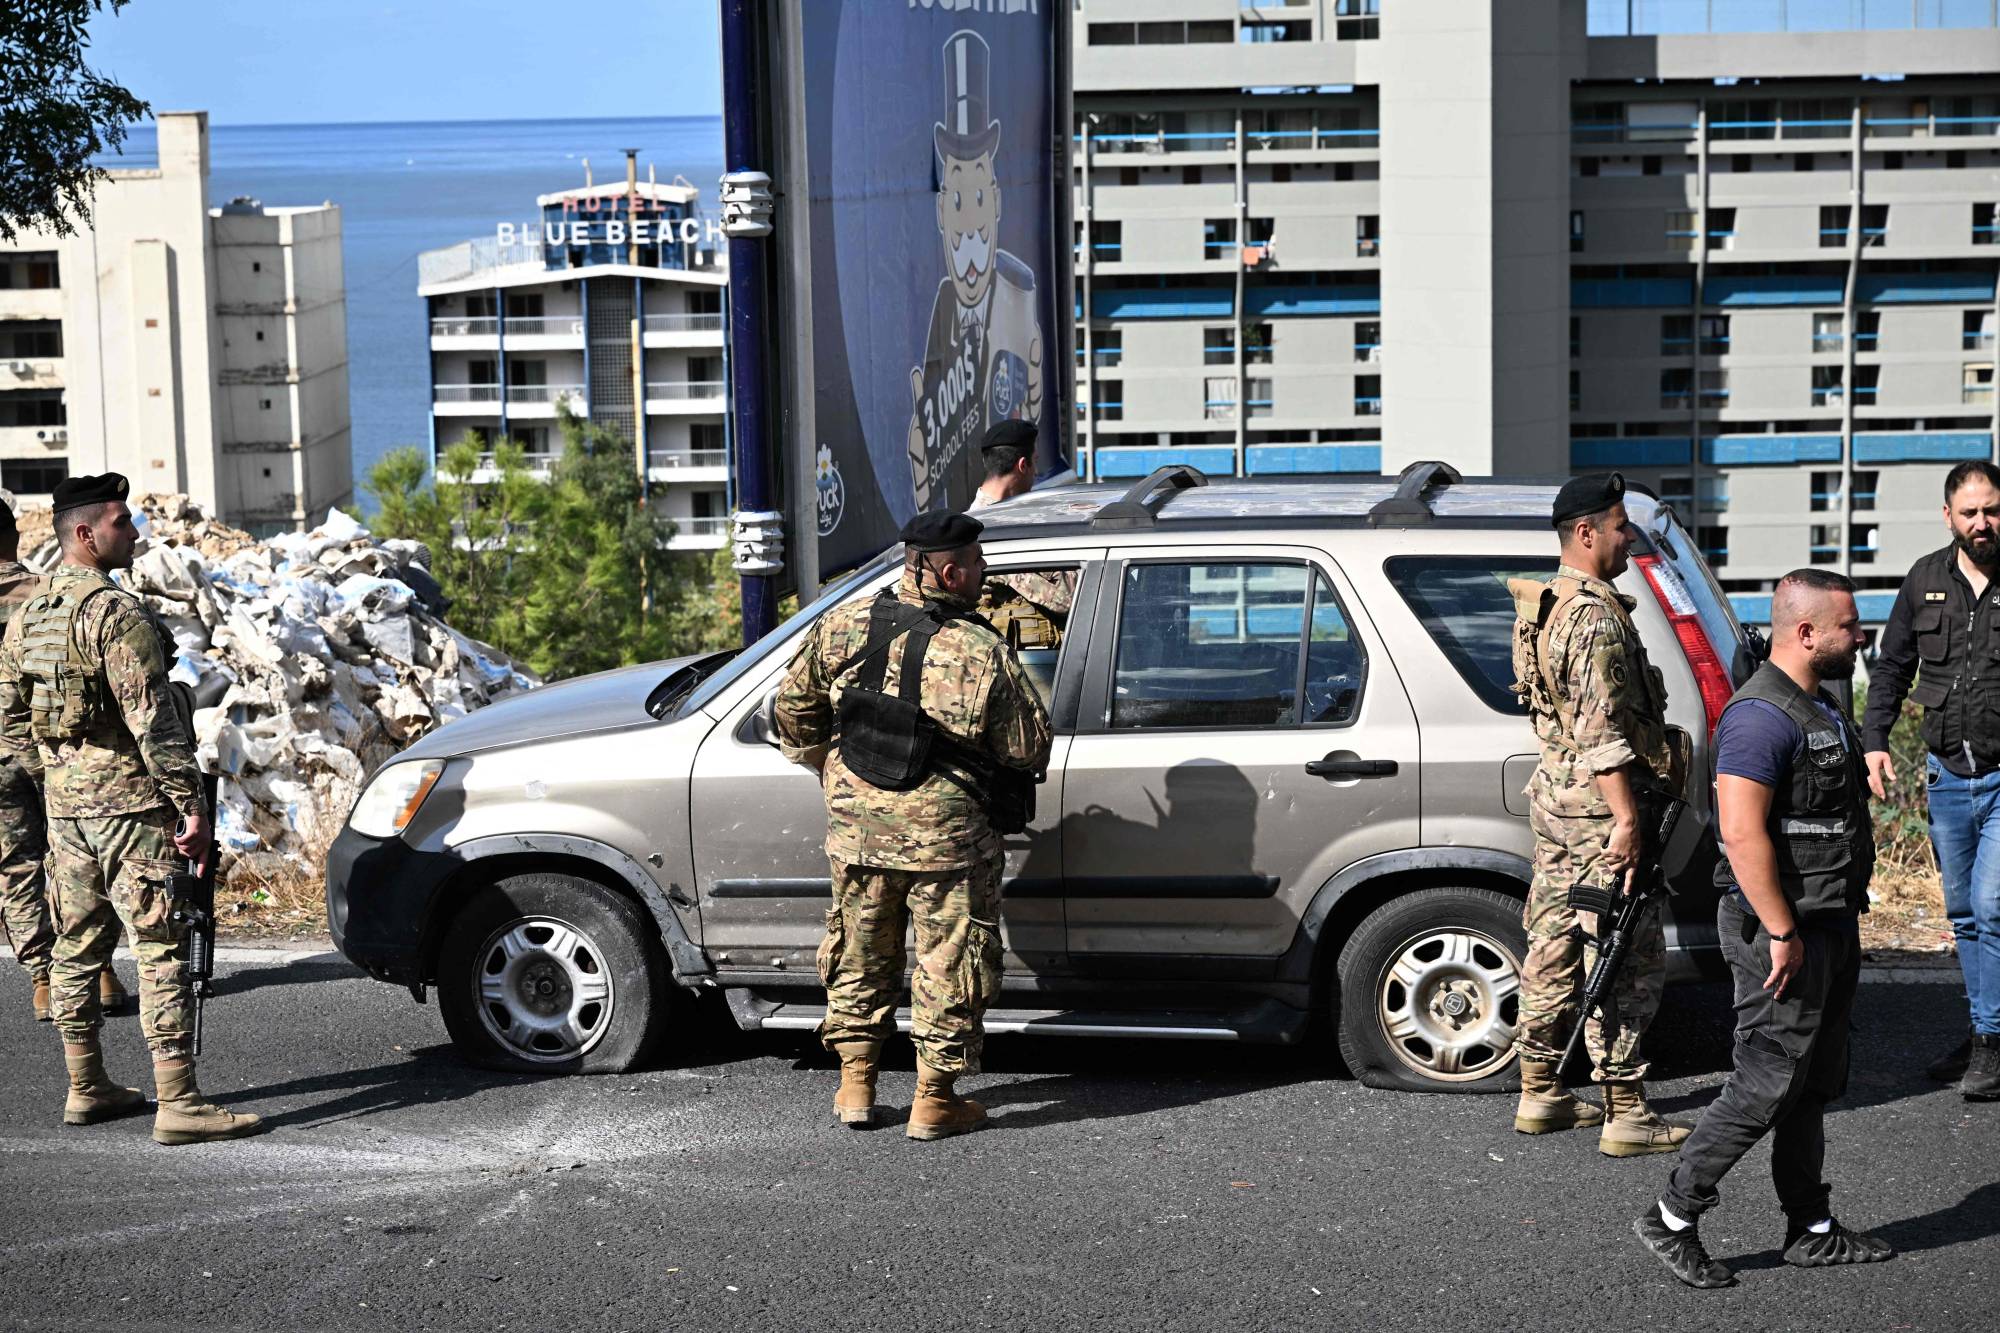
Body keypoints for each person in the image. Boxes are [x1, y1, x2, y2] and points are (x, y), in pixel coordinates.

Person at [1634, 569, 1892, 1289]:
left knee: (1810, 1082)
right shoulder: (1758, 717)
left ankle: (1809, 1228)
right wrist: (1781, 929)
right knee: (1765, 1080)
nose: (1859, 635)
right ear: (1807, 633)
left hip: (1829, 922)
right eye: (1849, 625)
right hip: (1781, 932)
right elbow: (1742, 836)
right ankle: (1673, 1214)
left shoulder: (1818, 706)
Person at [0, 474, 261, 1145]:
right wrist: (190, 808)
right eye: (121, 521)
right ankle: (178, 1100)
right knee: (160, 944)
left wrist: (59, 778)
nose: (135, 530)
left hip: (68, 813)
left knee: (77, 945)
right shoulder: (117, 615)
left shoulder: (28, 616)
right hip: (132, 809)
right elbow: (156, 725)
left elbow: (12, 720)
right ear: (84, 534)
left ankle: (86, 1086)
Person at [774, 510, 1052, 1140]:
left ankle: (856, 1084)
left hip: (858, 832)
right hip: (948, 839)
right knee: (948, 961)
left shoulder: (840, 624)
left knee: (860, 951)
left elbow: (792, 714)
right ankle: (934, 1099)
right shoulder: (979, 649)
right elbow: (1028, 748)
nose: (983, 576)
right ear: (949, 572)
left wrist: (832, 769)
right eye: (978, 566)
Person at [1508, 471, 1690, 1156]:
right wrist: (1627, 819)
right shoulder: (1593, 617)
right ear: (1586, 533)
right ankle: (1626, 1110)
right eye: (1619, 525)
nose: (1628, 536)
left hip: (1556, 802)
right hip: (1597, 811)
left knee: (1553, 939)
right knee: (1622, 952)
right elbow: (1602, 731)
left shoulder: (1546, 604)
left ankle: (1541, 1090)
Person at [1860, 460, 2000, 1100]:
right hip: (1946, 773)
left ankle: (1992, 1042)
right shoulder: (1924, 579)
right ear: (1948, 516)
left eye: (1991, 510)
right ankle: (1983, 1035)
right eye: (1969, 512)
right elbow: (1891, 666)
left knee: (1994, 908)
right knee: (1965, 914)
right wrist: (1875, 741)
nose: (1982, 523)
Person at [0, 501, 132, 1022]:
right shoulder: (44, 595)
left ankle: (41, 981)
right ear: (11, 536)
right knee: (77, 860)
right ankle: (95, 969)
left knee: (16, 865)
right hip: (55, 750)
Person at [967, 420, 1076, 661]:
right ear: (1023, 464)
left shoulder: (997, 520)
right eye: (1035, 462)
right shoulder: (993, 529)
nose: (1036, 472)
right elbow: (1066, 597)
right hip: (1026, 665)